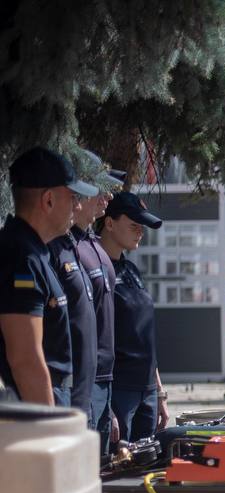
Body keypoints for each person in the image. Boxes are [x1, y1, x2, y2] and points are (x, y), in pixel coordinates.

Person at [1, 147, 93, 405]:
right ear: (49, 200)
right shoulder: (21, 257)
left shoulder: (33, 251)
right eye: (73, 196)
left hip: (48, 397)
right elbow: (25, 359)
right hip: (33, 408)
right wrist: (49, 427)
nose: (78, 205)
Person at [48, 156, 119, 418]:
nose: (108, 197)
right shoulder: (57, 247)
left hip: (97, 379)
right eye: (98, 190)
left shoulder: (84, 244)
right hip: (69, 385)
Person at [99, 191, 167, 442]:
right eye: (134, 225)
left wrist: (159, 392)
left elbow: (144, 336)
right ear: (109, 223)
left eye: (143, 226)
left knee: (143, 473)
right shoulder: (94, 269)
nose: (140, 231)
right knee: (117, 472)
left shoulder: (131, 270)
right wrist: (104, 405)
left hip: (146, 391)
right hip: (118, 391)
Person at [77, 169, 124, 454]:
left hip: (106, 379)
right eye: (100, 189)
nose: (107, 196)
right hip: (85, 380)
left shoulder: (94, 245)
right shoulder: (68, 248)